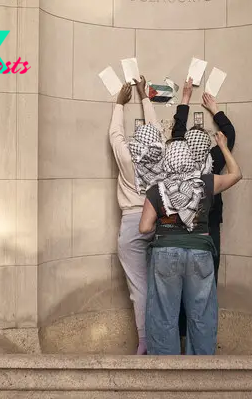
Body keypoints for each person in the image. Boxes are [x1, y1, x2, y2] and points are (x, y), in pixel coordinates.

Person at [140, 130, 242, 355]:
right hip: (200, 253)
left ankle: (166, 373)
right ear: (187, 155)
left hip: (165, 254)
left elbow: (144, 228)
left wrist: (165, 222)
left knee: (164, 316)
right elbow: (236, 174)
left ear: (168, 159)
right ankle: (201, 375)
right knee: (202, 314)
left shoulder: (157, 189)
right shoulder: (206, 182)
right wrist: (224, 147)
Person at [171, 78, 236, 342]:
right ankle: (204, 340)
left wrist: (185, 100)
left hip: (182, 232)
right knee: (206, 287)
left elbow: (177, 132)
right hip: (210, 232)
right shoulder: (215, 161)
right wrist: (215, 110)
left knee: (181, 287)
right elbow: (230, 133)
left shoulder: (179, 160)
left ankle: (182, 337)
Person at [109, 76, 163, 355]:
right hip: (160, 222)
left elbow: (115, 135)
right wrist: (145, 97)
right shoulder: (162, 155)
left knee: (139, 288)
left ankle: (145, 342)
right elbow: (155, 129)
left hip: (132, 223)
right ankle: (164, 342)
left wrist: (120, 104)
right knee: (164, 286)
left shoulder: (127, 157)